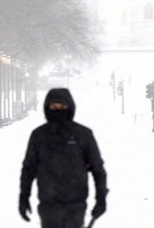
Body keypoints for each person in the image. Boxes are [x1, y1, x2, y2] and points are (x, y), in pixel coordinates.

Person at [19, 88, 108, 227]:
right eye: (54, 106)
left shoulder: (83, 135)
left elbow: (97, 169)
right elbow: (29, 169)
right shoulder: (39, 136)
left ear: (70, 107)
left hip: (76, 206)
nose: (58, 110)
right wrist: (23, 197)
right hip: (48, 206)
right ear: (47, 108)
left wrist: (101, 198)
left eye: (63, 106)